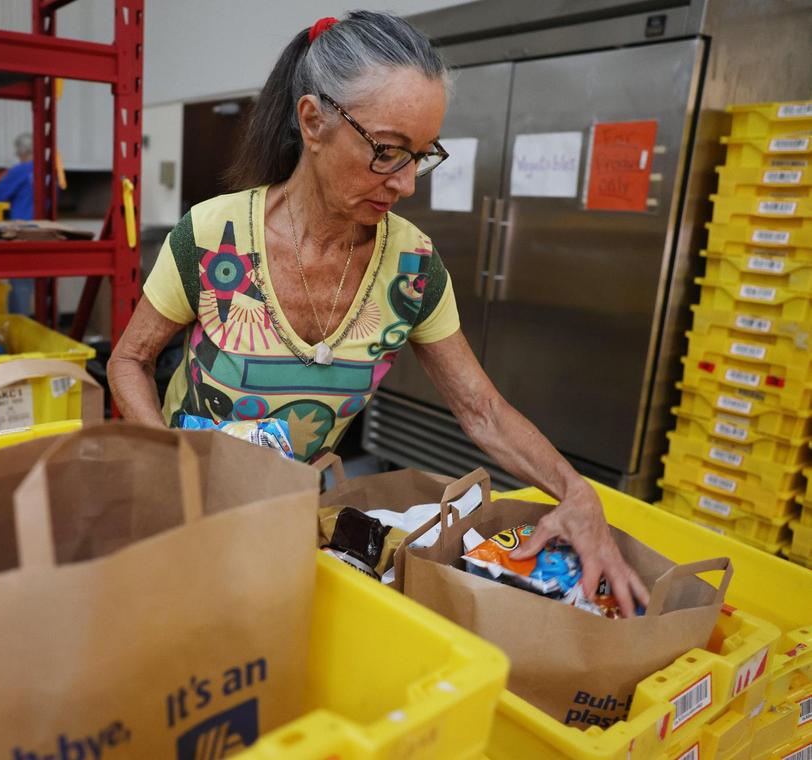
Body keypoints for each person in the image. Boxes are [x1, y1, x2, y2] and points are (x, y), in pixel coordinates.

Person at [108, 12, 649, 616]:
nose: (407, 184)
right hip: (175, 518)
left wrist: (578, 494)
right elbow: (129, 359)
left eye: (422, 155)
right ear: (313, 121)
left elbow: (483, 410)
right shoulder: (215, 236)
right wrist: (168, 467)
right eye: (388, 152)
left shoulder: (411, 268)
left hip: (286, 524)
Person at [0, 133, 35, 314]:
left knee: (20, 285)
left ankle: (21, 326)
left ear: (22, 151)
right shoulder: (52, 171)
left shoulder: (21, 170)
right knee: (42, 284)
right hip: (48, 233)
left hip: (22, 232)